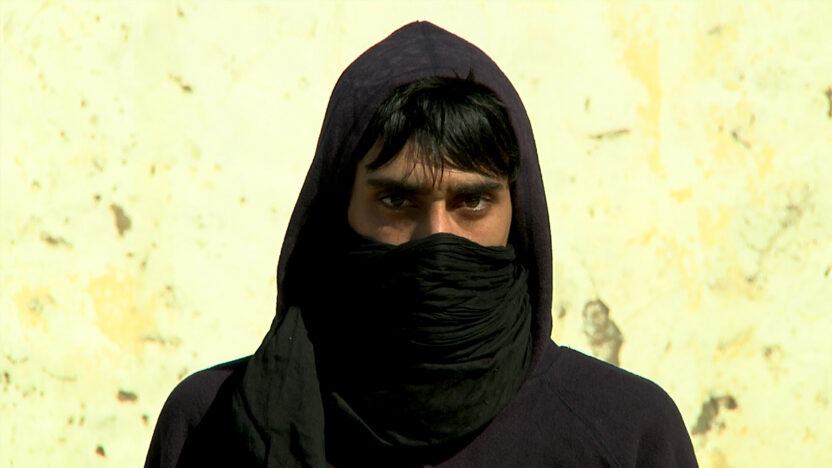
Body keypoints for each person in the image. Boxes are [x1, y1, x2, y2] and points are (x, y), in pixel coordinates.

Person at [145, 21, 698, 467]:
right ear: (338, 209)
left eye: (471, 202)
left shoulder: (626, 431)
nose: (436, 237)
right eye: (396, 201)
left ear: (518, 213)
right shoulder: (211, 424)